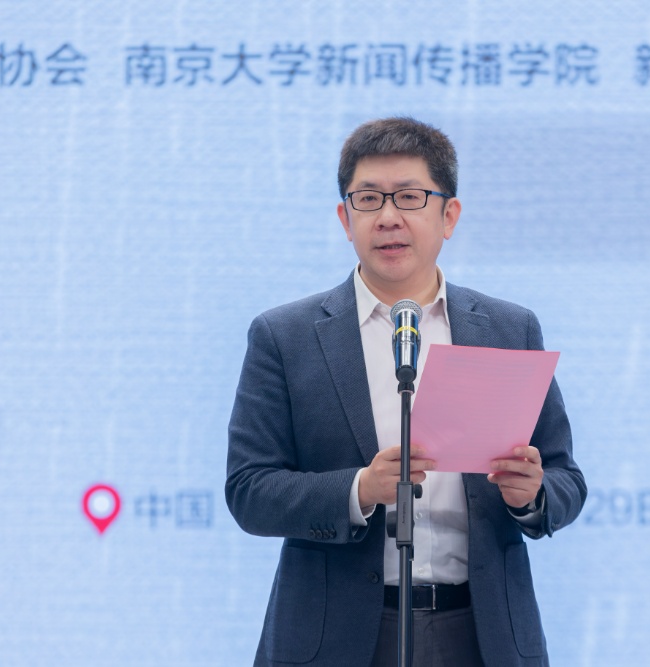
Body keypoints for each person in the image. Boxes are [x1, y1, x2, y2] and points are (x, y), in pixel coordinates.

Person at [226, 117, 586, 666]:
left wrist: (532, 495)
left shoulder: (508, 330)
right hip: (335, 641)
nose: (389, 216)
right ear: (346, 219)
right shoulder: (286, 336)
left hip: (481, 634)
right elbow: (249, 491)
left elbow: (566, 478)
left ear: (449, 215)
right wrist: (360, 489)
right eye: (369, 198)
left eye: (410, 197)